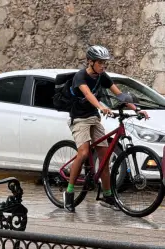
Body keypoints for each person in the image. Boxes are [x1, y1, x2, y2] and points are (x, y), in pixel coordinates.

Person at [63, 45, 149, 213]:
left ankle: (108, 196)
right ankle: (69, 192)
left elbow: (120, 95)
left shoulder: (102, 76)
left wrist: (136, 109)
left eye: (105, 63)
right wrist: (101, 107)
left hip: (94, 118)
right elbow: (87, 94)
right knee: (84, 153)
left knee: (104, 157)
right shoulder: (80, 76)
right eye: (100, 63)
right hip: (79, 119)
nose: (103, 66)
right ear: (90, 61)